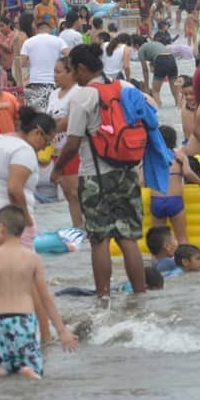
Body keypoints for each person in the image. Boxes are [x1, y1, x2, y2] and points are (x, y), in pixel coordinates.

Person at [50, 44, 147, 297]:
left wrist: (57, 170)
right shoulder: (124, 87)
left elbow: (72, 143)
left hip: (95, 176)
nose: (72, 77)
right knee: (128, 239)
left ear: (82, 68)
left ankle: (103, 297)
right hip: (127, 172)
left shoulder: (84, 97)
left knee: (99, 239)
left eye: (72, 71)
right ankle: (140, 295)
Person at [0, 108, 55, 338]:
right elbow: (14, 190)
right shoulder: (23, 150)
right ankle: (45, 337)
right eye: (47, 141)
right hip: (5, 217)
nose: (45, 148)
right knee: (32, 280)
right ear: (37, 132)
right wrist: (26, 220)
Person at [0, 206, 78, 379]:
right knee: (31, 365)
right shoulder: (32, 258)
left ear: (2, 228)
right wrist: (62, 331)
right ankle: (29, 371)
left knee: (4, 366)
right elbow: (45, 298)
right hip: (24, 322)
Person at [151, 126, 200, 243]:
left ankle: (158, 261)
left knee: (158, 241)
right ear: (174, 141)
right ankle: (183, 260)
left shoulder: (152, 158)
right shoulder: (179, 156)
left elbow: (142, 180)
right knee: (182, 237)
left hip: (157, 200)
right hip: (174, 200)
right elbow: (188, 173)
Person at [47, 57, 83, 228]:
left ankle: (85, 229)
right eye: (54, 71)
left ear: (71, 73)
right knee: (68, 194)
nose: (55, 75)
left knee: (76, 192)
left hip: (73, 149)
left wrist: (49, 129)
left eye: (59, 71)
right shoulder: (54, 94)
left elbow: (70, 120)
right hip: (56, 149)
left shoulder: (77, 92)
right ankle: (78, 229)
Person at [20, 21, 69, 110]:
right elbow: (68, 55)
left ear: (36, 29)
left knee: (36, 112)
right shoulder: (59, 41)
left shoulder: (28, 42)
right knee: (52, 111)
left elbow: (21, 63)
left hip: (35, 82)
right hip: (54, 82)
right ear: (49, 29)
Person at [132, 35, 178, 106]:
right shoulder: (154, 43)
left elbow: (145, 70)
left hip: (161, 60)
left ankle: (158, 106)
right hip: (172, 59)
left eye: (133, 46)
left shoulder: (141, 49)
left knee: (155, 91)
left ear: (136, 45)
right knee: (175, 91)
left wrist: (146, 86)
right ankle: (178, 105)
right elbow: (157, 56)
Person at [0, 16, 16, 84]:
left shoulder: (14, 35)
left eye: (2, 26)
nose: (0, 29)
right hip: (2, 67)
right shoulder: (1, 36)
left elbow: (9, 48)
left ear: (9, 25)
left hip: (11, 68)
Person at [179, 76, 196, 142]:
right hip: (186, 141)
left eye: (192, 94)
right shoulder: (184, 103)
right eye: (186, 94)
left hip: (198, 144)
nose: (189, 97)